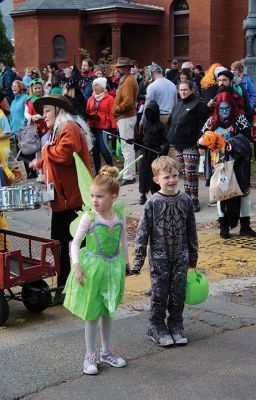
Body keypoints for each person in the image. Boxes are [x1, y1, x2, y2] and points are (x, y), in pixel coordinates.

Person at [64, 164, 129, 375]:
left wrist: (126, 262)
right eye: (92, 195)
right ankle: (90, 355)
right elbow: (75, 243)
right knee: (92, 314)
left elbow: (124, 240)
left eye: (99, 196)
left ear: (113, 197)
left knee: (108, 312)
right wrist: (76, 265)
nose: (94, 200)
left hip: (112, 268)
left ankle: (107, 352)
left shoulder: (119, 216)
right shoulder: (90, 217)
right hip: (92, 269)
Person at [29, 94, 93, 304]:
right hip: (64, 201)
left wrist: (45, 151)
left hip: (72, 201)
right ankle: (66, 287)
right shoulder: (60, 128)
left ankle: (72, 288)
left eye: (46, 111)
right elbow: (56, 155)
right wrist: (39, 163)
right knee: (61, 245)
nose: (42, 116)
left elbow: (64, 154)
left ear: (58, 110)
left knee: (71, 247)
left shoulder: (68, 127)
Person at [131, 156, 198, 347]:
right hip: (159, 257)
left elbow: (191, 230)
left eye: (175, 176)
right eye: (167, 176)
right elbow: (142, 233)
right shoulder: (152, 203)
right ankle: (156, 326)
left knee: (178, 293)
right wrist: (138, 260)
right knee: (160, 294)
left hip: (181, 255)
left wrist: (193, 256)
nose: (172, 180)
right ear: (156, 180)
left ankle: (176, 324)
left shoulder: (185, 200)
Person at [199, 91, 256, 239]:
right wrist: (203, 141)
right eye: (221, 109)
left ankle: (245, 225)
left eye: (227, 108)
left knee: (243, 192)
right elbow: (201, 138)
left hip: (239, 163)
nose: (224, 112)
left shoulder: (240, 119)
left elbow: (247, 138)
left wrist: (230, 143)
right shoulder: (212, 120)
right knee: (221, 192)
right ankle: (223, 226)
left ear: (232, 107)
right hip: (219, 163)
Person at [167, 80, 209, 212]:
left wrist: (201, 143)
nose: (183, 92)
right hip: (177, 144)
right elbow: (170, 122)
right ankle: (186, 198)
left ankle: (194, 199)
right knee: (184, 172)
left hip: (191, 144)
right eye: (180, 90)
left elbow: (203, 125)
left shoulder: (198, 105)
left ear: (192, 90)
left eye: (185, 90)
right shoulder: (177, 105)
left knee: (190, 172)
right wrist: (169, 137)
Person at [113, 57, 139, 186]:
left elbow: (128, 102)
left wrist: (115, 110)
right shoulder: (127, 80)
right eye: (118, 67)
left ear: (127, 68)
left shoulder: (128, 81)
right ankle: (129, 174)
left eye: (120, 67)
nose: (118, 69)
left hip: (126, 117)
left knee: (127, 148)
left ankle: (129, 176)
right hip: (125, 117)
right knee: (127, 147)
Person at [138, 100, 169, 205]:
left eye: (152, 112)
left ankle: (155, 193)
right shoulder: (145, 124)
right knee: (143, 173)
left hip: (155, 152)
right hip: (145, 151)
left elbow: (166, 141)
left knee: (154, 172)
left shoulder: (160, 126)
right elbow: (141, 138)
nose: (150, 114)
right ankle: (143, 193)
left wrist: (162, 151)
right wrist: (134, 140)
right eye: (148, 111)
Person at [86, 77, 115, 174]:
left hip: (103, 127)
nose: (94, 87)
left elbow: (112, 114)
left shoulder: (110, 99)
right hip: (92, 127)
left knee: (104, 149)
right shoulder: (91, 98)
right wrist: (90, 117)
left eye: (96, 85)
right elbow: (87, 111)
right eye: (93, 85)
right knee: (95, 151)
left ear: (102, 86)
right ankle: (97, 171)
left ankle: (111, 169)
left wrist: (114, 127)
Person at [24, 78, 49, 181]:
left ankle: (48, 171)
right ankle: (40, 174)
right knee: (37, 151)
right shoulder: (28, 100)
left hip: (45, 127)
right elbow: (25, 113)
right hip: (34, 129)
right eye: (35, 88)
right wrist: (30, 117)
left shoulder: (46, 98)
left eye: (39, 88)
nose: (38, 90)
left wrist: (39, 116)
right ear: (32, 89)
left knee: (45, 148)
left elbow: (48, 111)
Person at [140, 63, 177, 128]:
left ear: (152, 72)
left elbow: (148, 105)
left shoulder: (152, 86)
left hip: (158, 119)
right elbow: (175, 103)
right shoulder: (172, 84)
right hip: (171, 118)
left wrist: (143, 121)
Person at [9, 80, 27, 154]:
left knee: (25, 157)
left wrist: (23, 126)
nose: (13, 88)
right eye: (12, 86)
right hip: (13, 133)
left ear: (21, 87)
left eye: (15, 86)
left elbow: (27, 114)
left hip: (23, 133)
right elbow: (11, 117)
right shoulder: (13, 102)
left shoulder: (26, 98)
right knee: (17, 158)